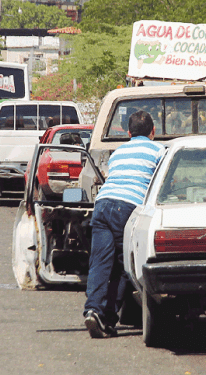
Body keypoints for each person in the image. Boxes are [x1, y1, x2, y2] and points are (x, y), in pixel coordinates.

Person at [83, 110, 166, 338]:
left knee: (99, 261)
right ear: (153, 132)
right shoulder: (159, 150)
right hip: (127, 207)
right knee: (122, 266)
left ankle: (92, 310)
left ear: (128, 133)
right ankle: (107, 319)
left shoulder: (118, 152)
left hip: (102, 204)